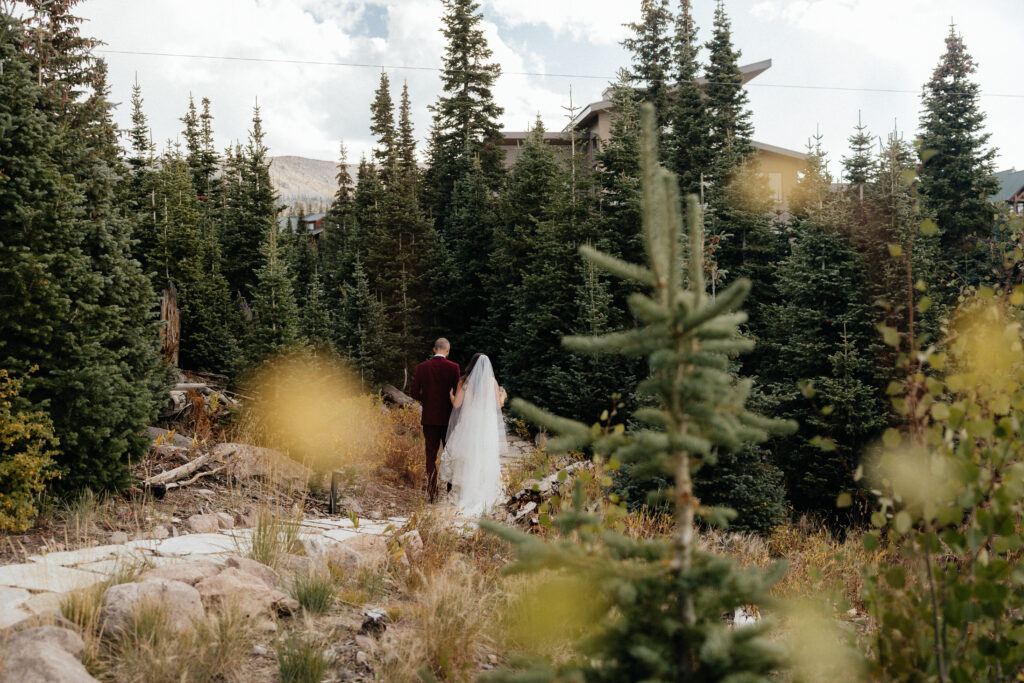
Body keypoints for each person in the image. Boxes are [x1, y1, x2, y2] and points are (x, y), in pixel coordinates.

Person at [438, 353, 508, 515]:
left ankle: (464, 492)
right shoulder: (492, 382)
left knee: (465, 457)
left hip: (469, 423)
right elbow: (498, 405)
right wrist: (503, 395)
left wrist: (451, 396)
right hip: (484, 426)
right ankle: (481, 492)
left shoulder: (464, 381)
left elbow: (457, 404)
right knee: (483, 456)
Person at [410, 338, 460, 502]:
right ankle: (450, 488)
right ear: (447, 350)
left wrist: (427, 399)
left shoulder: (422, 367)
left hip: (430, 418)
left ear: (434, 349)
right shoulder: (454, 368)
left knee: (430, 455)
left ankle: (432, 491)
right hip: (448, 419)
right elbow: (457, 394)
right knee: (450, 453)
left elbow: (414, 393)